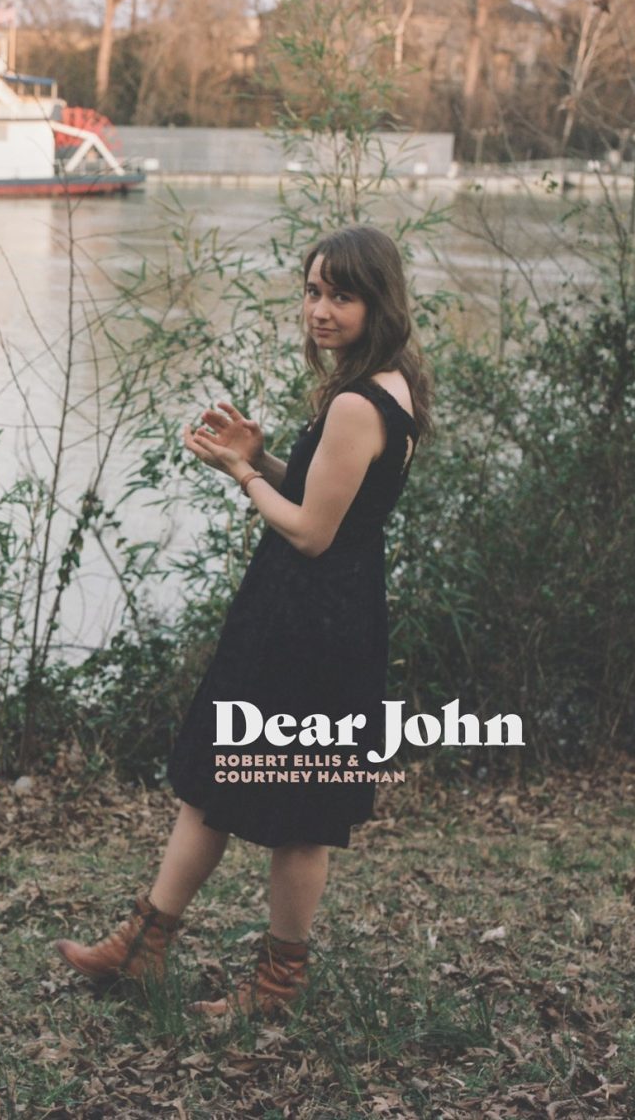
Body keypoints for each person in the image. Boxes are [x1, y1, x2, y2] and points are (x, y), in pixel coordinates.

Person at [55, 224, 431, 1018]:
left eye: (341, 295)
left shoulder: (357, 404)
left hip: (308, 627)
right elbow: (327, 498)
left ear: (379, 302)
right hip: (324, 617)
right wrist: (260, 460)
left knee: (298, 814)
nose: (320, 310)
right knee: (219, 780)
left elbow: (311, 531)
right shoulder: (388, 385)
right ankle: (144, 944)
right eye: (313, 291)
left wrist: (238, 474)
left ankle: (272, 987)